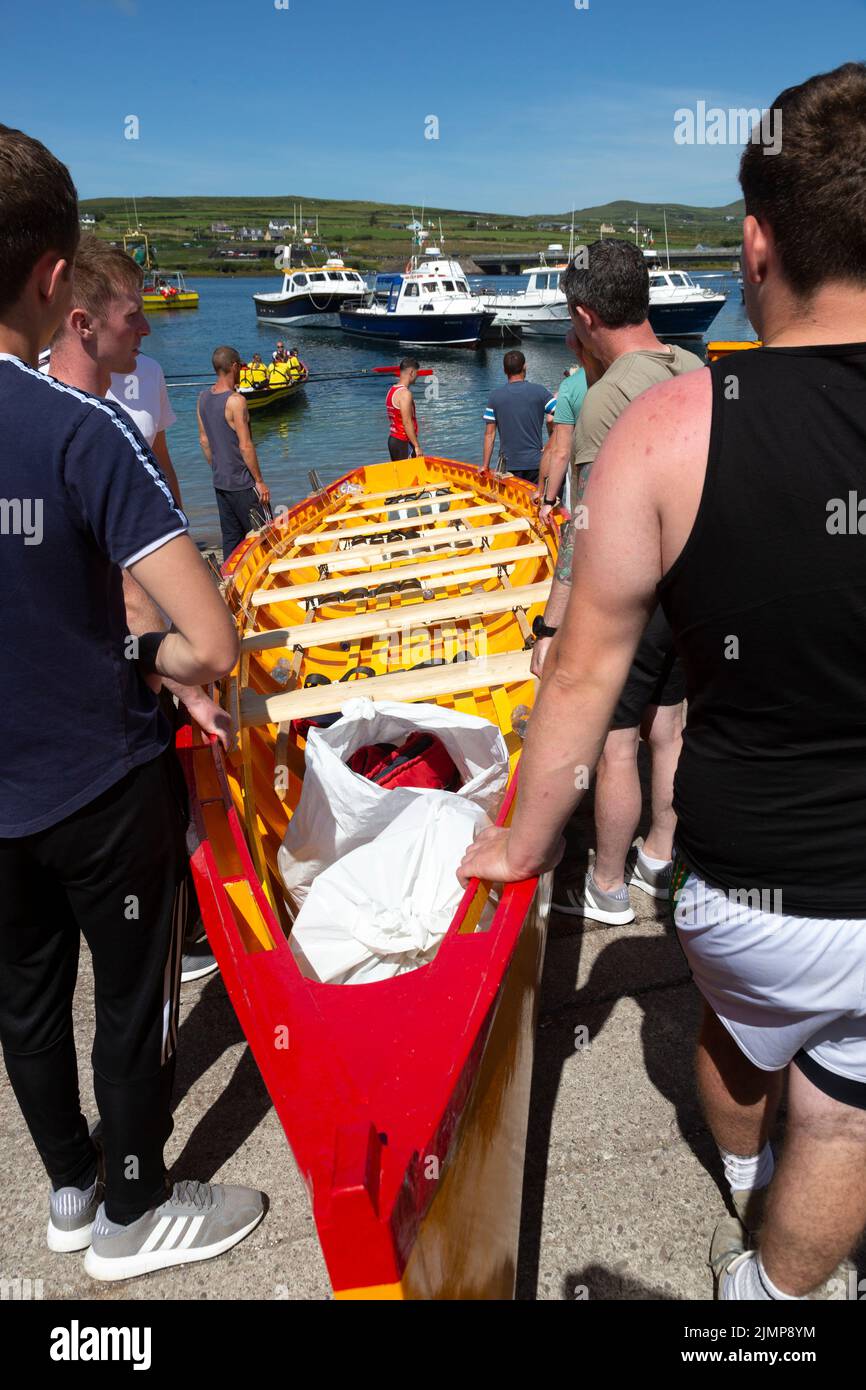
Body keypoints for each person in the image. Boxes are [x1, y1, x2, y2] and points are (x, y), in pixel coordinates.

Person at [460, 63, 866, 1302]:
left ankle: (746, 1193)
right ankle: (777, 1297)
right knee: (845, 1122)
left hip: (739, 882)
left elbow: (583, 672)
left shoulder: (671, 426)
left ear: (754, 241)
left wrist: (519, 843)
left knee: (739, 1041)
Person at [0, 123, 264, 1280]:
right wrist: (150, 653)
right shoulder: (76, 431)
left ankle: (67, 1183)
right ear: (55, 279)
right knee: (126, 999)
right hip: (95, 776)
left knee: (24, 999)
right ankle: (132, 1209)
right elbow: (207, 643)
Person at [45, 235, 228, 985]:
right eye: (133, 316)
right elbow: (127, 588)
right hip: (115, 668)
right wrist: (184, 675)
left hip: (139, 580)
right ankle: (177, 933)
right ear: (82, 319)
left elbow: (159, 471)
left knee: (32, 993)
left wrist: (179, 544)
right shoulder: (74, 416)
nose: (147, 329)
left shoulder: (143, 379)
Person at [530, 240, 701, 925]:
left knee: (616, 742)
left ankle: (604, 886)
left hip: (636, 597)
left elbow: (583, 528)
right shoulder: (692, 365)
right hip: (692, 591)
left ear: (584, 314)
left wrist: (551, 626)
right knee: (671, 728)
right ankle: (660, 863)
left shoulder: (607, 400)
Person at [197, 346, 271, 560]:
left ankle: (229, 584)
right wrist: (259, 481)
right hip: (244, 484)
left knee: (232, 539)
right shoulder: (236, 401)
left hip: (221, 482)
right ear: (234, 366)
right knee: (266, 535)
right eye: (240, 367)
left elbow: (204, 441)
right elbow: (245, 445)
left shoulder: (202, 398)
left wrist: (219, 468)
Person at [482, 349, 555, 482]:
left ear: (504, 370)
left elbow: (489, 435)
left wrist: (485, 466)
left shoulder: (495, 397)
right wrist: (552, 442)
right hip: (536, 463)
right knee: (536, 501)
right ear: (524, 367)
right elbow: (562, 414)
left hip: (508, 466)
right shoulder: (540, 392)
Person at [537, 348, 592, 522]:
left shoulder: (569, 387)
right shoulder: (624, 375)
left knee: (580, 526)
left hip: (582, 473)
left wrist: (548, 500)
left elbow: (560, 452)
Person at [386, 356, 421, 460]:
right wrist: (416, 446)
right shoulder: (405, 394)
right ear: (411, 372)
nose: (417, 376)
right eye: (416, 373)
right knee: (410, 475)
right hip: (404, 442)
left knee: (399, 475)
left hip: (393, 440)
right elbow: (407, 422)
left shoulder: (391, 391)